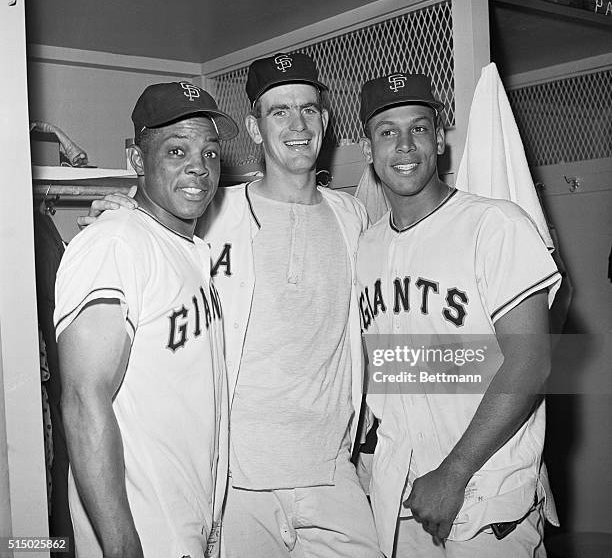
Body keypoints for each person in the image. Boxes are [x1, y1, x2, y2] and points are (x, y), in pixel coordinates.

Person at [83, 53, 381, 558]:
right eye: (279, 111)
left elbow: (382, 332)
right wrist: (123, 213)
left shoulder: (352, 215)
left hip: (332, 475)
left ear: (326, 121)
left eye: (308, 110)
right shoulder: (213, 212)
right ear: (254, 126)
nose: (297, 124)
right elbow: (157, 229)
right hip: (237, 482)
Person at [354, 72, 562, 557]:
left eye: (419, 128)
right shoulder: (368, 244)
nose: (405, 146)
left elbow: (531, 362)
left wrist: (453, 473)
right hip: (399, 495)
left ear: (440, 138)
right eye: (387, 132)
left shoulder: (496, 224)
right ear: (368, 149)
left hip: (484, 494)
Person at [54, 81, 238, 558]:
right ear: (137, 160)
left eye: (211, 153)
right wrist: (121, 545)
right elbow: (81, 397)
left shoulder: (190, 249)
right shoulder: (114, 243)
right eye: (176, 150)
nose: (199, 167)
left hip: (187, 525)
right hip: (143, 535)